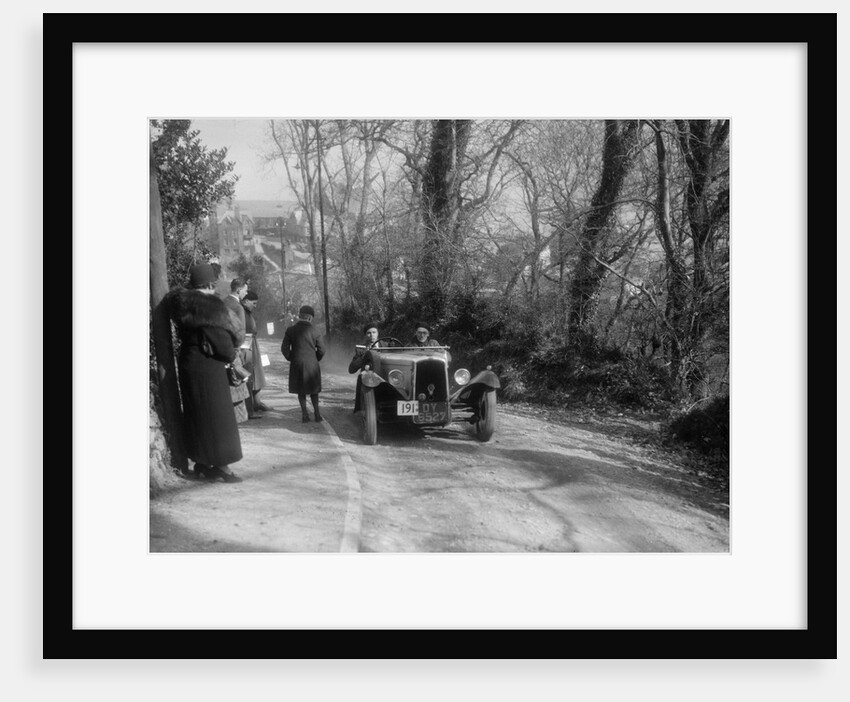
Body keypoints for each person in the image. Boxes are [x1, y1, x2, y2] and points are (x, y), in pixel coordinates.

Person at [166, 262, 244, 483]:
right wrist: (231, 355)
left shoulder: (182, 303)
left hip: (189, 362)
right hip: (209, 366)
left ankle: (201, 462)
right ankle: (222, 467)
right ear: (210, 284)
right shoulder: (210, 307)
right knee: (218, 417)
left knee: (198, 413)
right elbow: (223, 345)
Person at [281, 304, 326, 422]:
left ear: (300, 316)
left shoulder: (290, 330)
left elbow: (284, 349)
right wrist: (316, 358)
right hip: (312, 365)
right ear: (311, 318)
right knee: (314, 390)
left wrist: (292, 357)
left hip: (297, 364)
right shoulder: (316, 331)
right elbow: (322, 350)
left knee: (301, 390)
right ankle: (317, 414)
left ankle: (305, 415)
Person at [223, 278, 251, 422]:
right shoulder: (238, 307)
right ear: (239, 290)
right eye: (245, 291)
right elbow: (240, 333)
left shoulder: (222, 303)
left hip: (220, 349)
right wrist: (238, 349)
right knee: (237, 385)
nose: (246, 294)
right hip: (233, 350)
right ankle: (238, 420)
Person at [241, 289, 270, 418]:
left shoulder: (248, 312)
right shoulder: (240, 311)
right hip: (245, 347)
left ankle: (257, 403)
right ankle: (250, 407)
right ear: (246, 301)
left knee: (257, 373)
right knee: (249, 374)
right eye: (254, 303)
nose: (255, 306)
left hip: (252, 344)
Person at [348, 322, 383, 413]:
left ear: (378, 333)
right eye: (369, 333)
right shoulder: (361, 348)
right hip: (369, 382)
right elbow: (351, 369)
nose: (372, 335)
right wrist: (364, 356)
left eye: (374, 332)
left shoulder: (387, 345)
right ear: (366, 335)